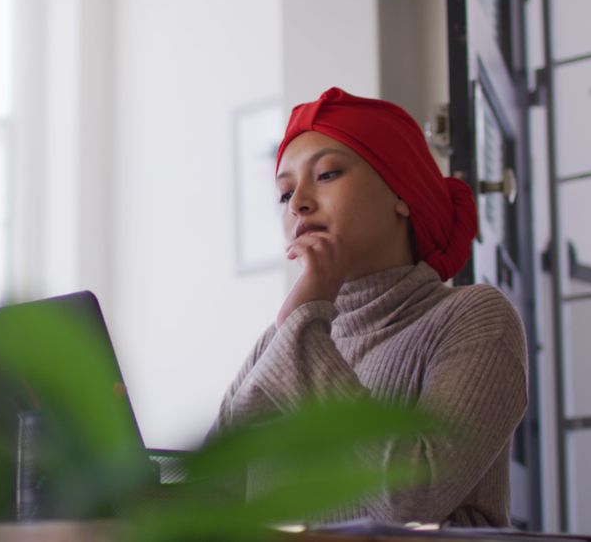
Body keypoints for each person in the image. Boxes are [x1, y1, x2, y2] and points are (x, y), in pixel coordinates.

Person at [207, 87, 528, 528]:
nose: (298, 201)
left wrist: (303, 323)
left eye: (326, 174)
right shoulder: (287, 332)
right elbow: (212, 492)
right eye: (284, 194)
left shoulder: (474, 316)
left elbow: (413, 498)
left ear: (401, 193)